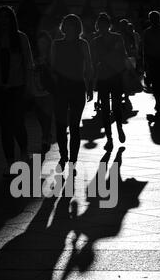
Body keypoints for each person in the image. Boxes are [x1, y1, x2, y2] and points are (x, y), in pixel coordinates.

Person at [0, 6, 34, 177]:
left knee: (17, 122)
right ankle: (10, 162)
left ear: (11, 20)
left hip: (16, 87)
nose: (3, 20)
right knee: (5, 127)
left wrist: (28, 86)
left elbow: (28, 64)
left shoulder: (20, 38)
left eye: (7, 17)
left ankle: (24, 150)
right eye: (1, 17)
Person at [52, 14, 93, 173]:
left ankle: (72, 160)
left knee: (74, 125)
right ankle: (64, 155)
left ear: (77, 28)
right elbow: (53, 67)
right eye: (67, 25)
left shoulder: (83, 44)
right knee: (61, 125)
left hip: (77, 86)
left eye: (73, 25)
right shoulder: (57, 44)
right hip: (61, 87)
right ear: (63, 27)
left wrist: (89, 86)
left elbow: (88, 66)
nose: (70, 28)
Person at [91, 13, 127, 151]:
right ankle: (109, 137)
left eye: (104, 24)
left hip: (115, 75)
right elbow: (95, 60)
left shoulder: (117, 37)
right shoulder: (97, 41)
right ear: (98, 26)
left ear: (108, 25)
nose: (102, 27)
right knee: (105, 109)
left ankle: (119, 127)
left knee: (116, 105)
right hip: (104, 77)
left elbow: (122, 55)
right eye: (100, 25)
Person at [32, 31, 55, 158]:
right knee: (40, 116)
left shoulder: (52, 56)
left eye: (45, 42)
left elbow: (55, 72)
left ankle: (45, 138)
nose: (43, 44)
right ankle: (46, 134)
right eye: (41, 42)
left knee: (47, 115)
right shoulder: (33, 56)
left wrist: (46, 66)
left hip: (48, 91)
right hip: (36, 89)